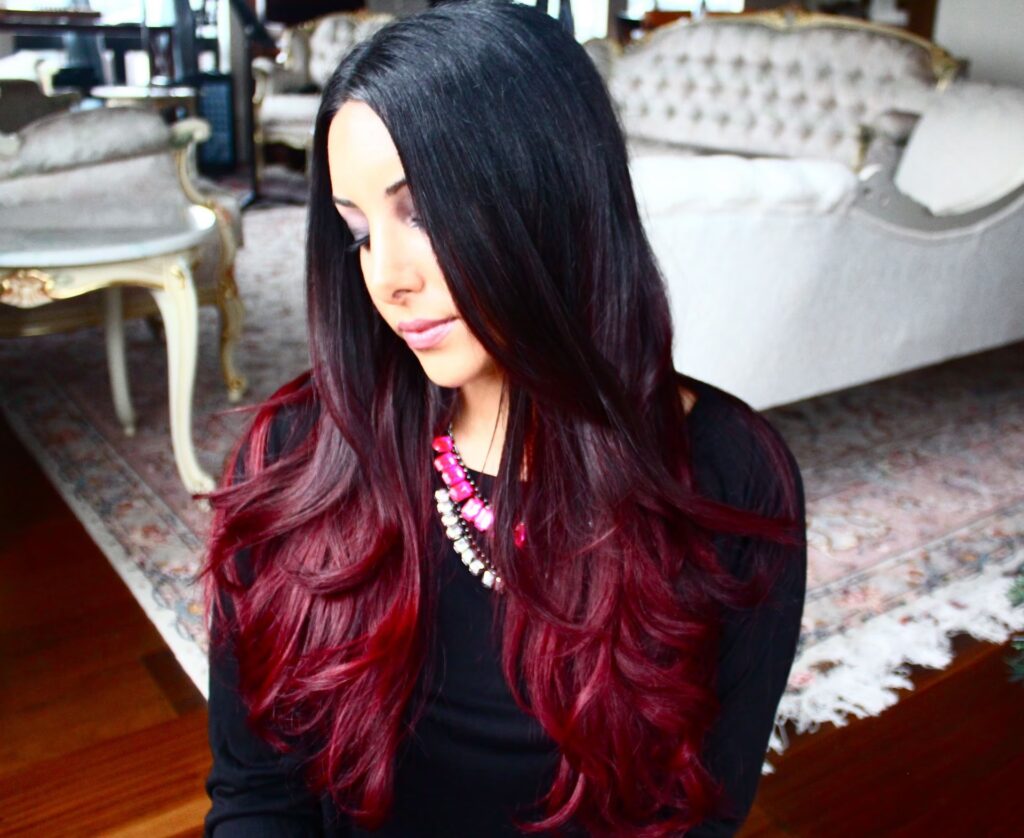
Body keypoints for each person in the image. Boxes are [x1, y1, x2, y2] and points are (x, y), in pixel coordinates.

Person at [202, 2, 807, 835]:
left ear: (552, 190)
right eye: (358, 232)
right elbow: (255, 795)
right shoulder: (294, 456)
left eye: (421, 212)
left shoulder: (733, 480)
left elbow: (700, 813)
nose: (387, 277)